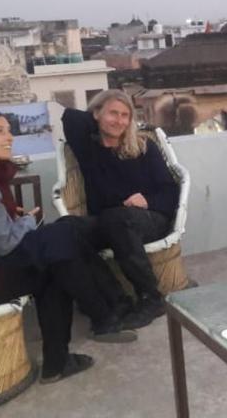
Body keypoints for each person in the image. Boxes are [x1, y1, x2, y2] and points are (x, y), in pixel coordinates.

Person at [0, 109, 141, 383]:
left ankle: (65, 356)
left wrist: (20, 222)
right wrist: (26, 221)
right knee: (63, 239)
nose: (9, 137)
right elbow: (4, 243)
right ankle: (103, 317)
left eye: (8, 130)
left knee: (60, 252)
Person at [61, 89, 180, 320]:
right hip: (106, 222)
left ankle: (151, 298)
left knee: (117, 218)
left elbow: (170, 190)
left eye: (125, 115)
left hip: (148, 219)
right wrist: (100, 116)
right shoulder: (89, 149)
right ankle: (116, 301)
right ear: (96, 114)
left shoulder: (144, 148)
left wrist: (147, 200)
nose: (119, 120)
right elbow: (70, 117)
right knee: (65, 229)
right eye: (112, 113)